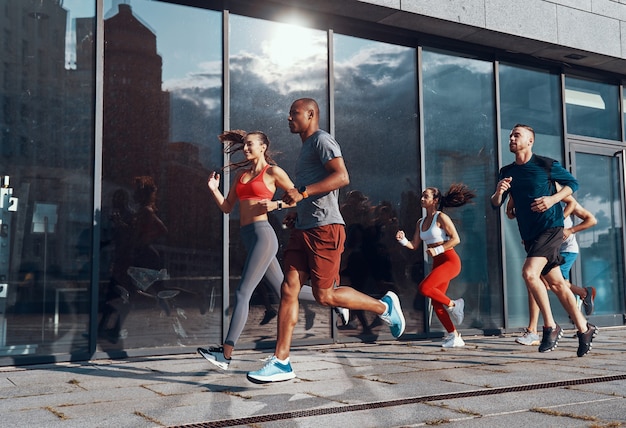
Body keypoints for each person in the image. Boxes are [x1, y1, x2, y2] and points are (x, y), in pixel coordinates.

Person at [246, 98, 405, 383]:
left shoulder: (322, 140)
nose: (288, 118)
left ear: (310, 115)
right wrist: (297, 210)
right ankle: (281, 361)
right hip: (305, 228)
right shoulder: (306, 147)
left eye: (293, 113)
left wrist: (303, 193)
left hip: (325, 229)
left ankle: (385, 307)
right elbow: (310, 193)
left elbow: (342, 176)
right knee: (289, 287)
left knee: (325, 295)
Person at [197, 130, 322, 370]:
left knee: (243, 293)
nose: (245, 148)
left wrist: (276, 204)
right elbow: (227, 207)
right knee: (285, 289)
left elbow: (297, 197)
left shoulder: (273, 172)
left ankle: (226, 354)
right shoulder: (242, 176)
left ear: (263, 147)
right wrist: (214, 189)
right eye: (244, 145)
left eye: (250, 144)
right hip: (248, 236)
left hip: (264, 235)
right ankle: (336, 300)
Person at [490, 124, 598, 357]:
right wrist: (499, 191)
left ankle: (550, 326)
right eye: (510, 135)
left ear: (530, 141)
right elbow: (497, 204)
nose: (511, 138)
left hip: (551, 228)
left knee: (530, 273)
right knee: (558, 284)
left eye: (516, 135)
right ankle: (584, 328)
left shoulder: (546, 164)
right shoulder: (507, 171)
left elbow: (573, 184)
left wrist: (552, 200)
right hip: (529, 234)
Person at [507, 193, 597, 346]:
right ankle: (580, 318)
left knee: (545, 282)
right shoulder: (537, 205)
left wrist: (570, 230)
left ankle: (538, 329)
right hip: (546, 249)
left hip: (566, 250)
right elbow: (510, 212)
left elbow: (591, 220)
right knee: (540, 282)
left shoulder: (564, 203)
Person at [396, 184, 475, 348]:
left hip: (450, 261)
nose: (422, 199)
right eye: (422, 196)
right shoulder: (421, 221)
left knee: (424, 288)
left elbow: (456, 239)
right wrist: (403, 240)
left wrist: (438, 249)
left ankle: (455, 304)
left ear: (435, 200)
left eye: (426, 196)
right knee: (436, 302)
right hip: (438, 263)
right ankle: (455, 336)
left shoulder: (441, 217)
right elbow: (414, 245)